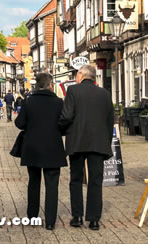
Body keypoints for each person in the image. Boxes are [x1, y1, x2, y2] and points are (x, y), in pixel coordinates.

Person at [58, 64, 113, 231]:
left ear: (81, 76)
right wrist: (107, 141)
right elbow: (110, 120)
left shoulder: (73, 91)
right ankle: (94, 220)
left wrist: (61, 130)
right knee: (95, 181)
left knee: (76, 179)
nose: (75, 78)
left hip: (77, 141)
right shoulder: (105, 94)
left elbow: (66, 116)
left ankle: (77, 216)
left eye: (76, 75)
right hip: (98, 142)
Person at [14, 73, 67, 230]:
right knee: (52, 185)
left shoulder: (29, 102)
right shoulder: (58, 102)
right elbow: (64, 123)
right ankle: (50, 222)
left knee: (34, 182)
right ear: (51, 85)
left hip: (32, 148)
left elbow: (19, 123)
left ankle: (32, 217)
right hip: (53, 148)